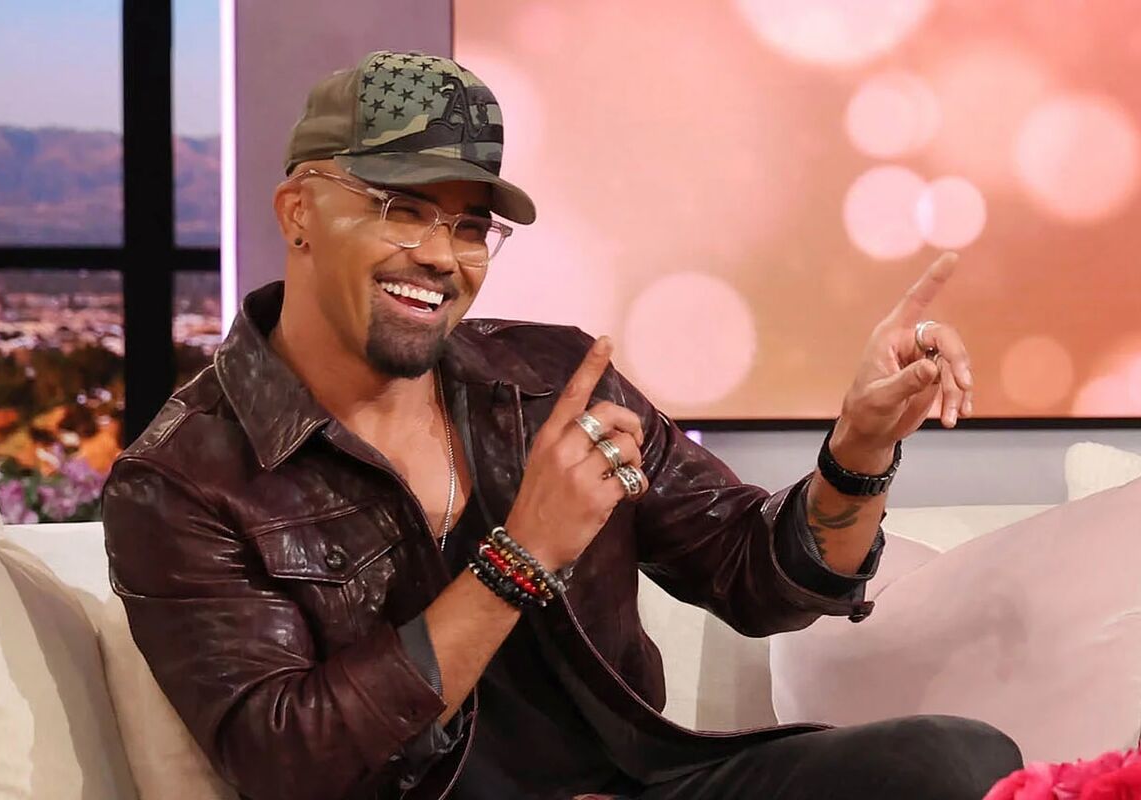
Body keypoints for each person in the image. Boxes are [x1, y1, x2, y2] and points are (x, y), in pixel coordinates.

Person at [102, 50, 1022, 800]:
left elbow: (758, 578)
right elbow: (289, 760)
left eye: (471, 227)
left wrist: (859, 448)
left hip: (639, 785)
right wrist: (521, 556)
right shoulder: (182, 480)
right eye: (402, 211)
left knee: (954, 761)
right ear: (299, 212)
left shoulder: (550, 382)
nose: (442, 256)